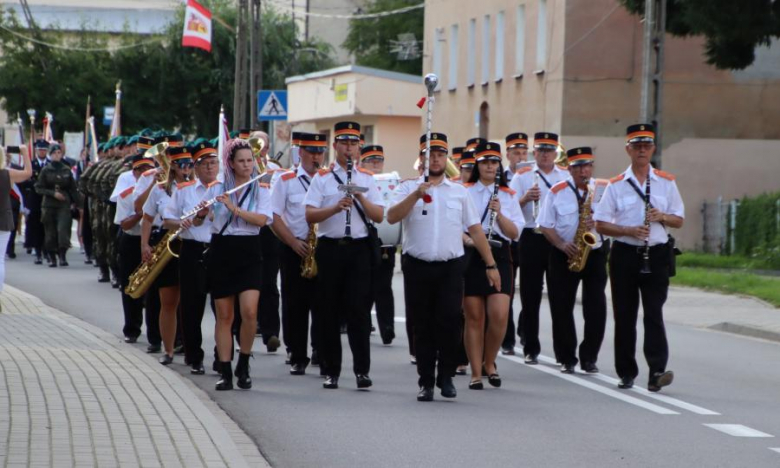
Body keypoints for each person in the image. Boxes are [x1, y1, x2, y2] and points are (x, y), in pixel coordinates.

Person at [387, 133, 501, 402]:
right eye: (430, 154)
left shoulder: (459, 191)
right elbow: (391, 217)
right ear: (421, 159)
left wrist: (491, 264)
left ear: (446, 158)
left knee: (450, 323)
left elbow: (475, 229)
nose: (435, 159)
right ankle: (425, 382)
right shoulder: (407, 187)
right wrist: (416, 195)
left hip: (450, 266)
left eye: (440, 154)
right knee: (423, 326)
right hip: (418, 265)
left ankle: (446, 376)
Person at [594, 124, 684, 392]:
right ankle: (626, 372)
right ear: (628, 150)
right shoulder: (616, 185)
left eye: (646, 145)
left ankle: (657, 370)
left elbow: (678, 220)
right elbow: (600, 223)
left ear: (653, 149)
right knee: (625, 315)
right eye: (637, 146)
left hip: (656, 255)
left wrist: (662, 217)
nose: (642, 150)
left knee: (654, 314)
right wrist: (628, 230)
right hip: (624, 255)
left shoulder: (666, 182)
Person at [304, 121, 385, 390]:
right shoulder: (323, 178)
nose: (348, 148)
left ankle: (362, 370)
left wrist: (360, 198)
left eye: (353, 143)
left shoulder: (367, 178)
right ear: (335, 145)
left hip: (359, 249)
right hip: (330, 248)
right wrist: (335, 208)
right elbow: (310, 215)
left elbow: (378, 216)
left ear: (358, 146)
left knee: (358, 312)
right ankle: (331, 370)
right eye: (344, 143)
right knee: (327, 311)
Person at [206, 138, 272, 391]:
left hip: (249, 250)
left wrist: (233, 208)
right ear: (231, 164)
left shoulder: (262, 190)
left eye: (250, 161)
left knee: (250, 312)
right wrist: (201, 213)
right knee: (224, 315)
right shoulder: (217, 188)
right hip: (222, 249)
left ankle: (243, 361)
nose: (247, 165)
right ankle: (225, 370)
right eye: (241, 161)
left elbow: (261, 220)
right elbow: (204, 219)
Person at [538, 147, 608, 374]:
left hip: (595, 251)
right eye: (577, 167)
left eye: (587, 166)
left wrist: (597, 224)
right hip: (564, 253)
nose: (583, 171)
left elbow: (615, 219)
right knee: (561, 306)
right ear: (569, 169)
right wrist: (560, 244)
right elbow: (545, 224)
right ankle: (567, 357)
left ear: (592, 167)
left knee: (596, 306)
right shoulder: (557, 191)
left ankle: (590, 357)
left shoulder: (603, 189)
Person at [462, 142, 524, 389]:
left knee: (499, 315)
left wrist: (499, 214)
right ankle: (476, 372)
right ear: (477, 164)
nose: (490, 166)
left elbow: (515, 233)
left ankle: (490, 361)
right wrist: (470, 241)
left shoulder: (508, 195)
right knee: (474, 316)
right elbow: (456, 226)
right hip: (471, 254)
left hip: (500, 254)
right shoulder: (464, 191)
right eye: (485, 161)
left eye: (494, 162)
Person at [509, 132, 569, 365]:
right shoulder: (523, 175)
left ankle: (562, 352)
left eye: (549, 150)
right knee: (530, 294)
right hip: (531, 236)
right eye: (541, 150)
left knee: (559, 296)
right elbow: (508, 206)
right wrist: (524, 199)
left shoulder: (564, 175)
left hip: (555, 237)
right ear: (535, 153)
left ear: (556, 153)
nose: (545, 154)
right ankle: (530, 346)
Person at [270, 132, 326, 375]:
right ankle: (297, 353)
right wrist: (292, 242)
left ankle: (320, 350)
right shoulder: (285, 179)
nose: (316, 157)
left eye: (319, 152)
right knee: (294, 303)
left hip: (323, 248)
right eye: (311, 152)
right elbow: (273, 216)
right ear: (299, 152)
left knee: (324, 303)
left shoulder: (329, 178)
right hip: (295, 246)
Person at [163, 141, 219, 375]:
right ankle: (194, 355)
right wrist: (182, 222)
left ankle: (222, 355)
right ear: (195, 167)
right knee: (191, 306)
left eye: (213, 163)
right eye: (204, 164)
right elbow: (167, 219)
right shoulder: (184, 190)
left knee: (222, 306)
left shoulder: (224, 188)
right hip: (193, 248)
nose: (209, 168)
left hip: (218, 248)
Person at [141, 146, 192, 365]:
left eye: (189, 165)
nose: (186, 170)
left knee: (191, 301)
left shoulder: (197, 188)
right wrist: (144, 244)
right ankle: (168, 349)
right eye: (182, 166)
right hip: (166, 241)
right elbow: (147, 217)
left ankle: (191, 350)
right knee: (168, 301)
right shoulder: (160, 189)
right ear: (173, 167)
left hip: (190, 241)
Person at [114, 150, 155, 344]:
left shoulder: (161, 189)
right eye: (141, 169)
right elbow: (124, 224)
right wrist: (141, 214)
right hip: (131, 240)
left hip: (153, 239)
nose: (146, 172)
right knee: (130, 286)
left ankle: (156, 334)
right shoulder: (126, 194)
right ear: (135, 172)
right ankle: (132, 329)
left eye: (150, 168)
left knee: (155, 289)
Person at [360, 145, 397, 345]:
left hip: (385, 243)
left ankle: (387, 327)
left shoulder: (391, 181)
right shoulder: (360, 181)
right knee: (364, 287)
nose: (375, 163)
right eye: (371, 160)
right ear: (362, 162)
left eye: (378, 160)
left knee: (384, 286)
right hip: (365, 240)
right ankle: (362, 326)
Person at [501, 132, 530, 355]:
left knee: (530, 289)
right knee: (507, 290)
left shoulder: (532, 175)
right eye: (516, 153)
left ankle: (524, 330)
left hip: (529, 236)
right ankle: (507, 338)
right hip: (508, 237)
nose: (520, 157)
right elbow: (508, 207)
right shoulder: (500, 177)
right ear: (508, 154)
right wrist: (525, 199)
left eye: (523, 152)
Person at [34, 143, 80, 267]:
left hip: (63, 205)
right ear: (50, 155)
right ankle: (52, 257)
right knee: (50, 233)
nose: (57, 155)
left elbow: (73, 188)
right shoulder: (46, 170)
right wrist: (52, 193)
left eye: (59, 153)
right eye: (54, 153)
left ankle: (62, 255)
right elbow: (38, 188)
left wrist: (78, 204)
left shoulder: (66, 169)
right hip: (49, 205)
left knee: (63, 231)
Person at [0, 145, 32, 306]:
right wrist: (25, 153)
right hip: (3, 219)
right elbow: (28, 173)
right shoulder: (7, 174)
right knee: (0, 260)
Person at [21, 139, 50, 264]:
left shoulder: (50, 164)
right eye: (40, 150)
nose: (42, 152)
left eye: (44, 150)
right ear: (36, 151)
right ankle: (38, 252)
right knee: (36, 227)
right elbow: (24, 181)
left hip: (48, 199)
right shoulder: (31, 165)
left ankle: (47, 252)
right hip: (35, 200)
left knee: (47, 227)